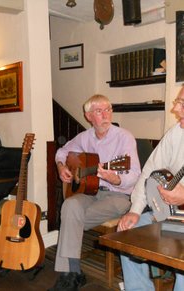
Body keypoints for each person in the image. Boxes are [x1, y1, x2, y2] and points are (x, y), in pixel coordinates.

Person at [49, 94, 141, 291]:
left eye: (108, 109)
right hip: (91, 192)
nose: (106, 114)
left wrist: (115, 178)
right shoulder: (84, 137)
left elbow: (134, 175)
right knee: (70, 205)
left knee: (70, 216)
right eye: (99, 111)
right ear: (88, 116)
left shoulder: (124, 137)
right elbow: (62, 151)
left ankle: (71, 274)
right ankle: (73, 273)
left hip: (120, 196)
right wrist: (60, 167)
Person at [118, 86, 184, 291]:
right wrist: (135, 210)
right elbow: (149, 170)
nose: (176, 109)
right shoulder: (176, 133)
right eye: (178, 102)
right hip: (175, 216)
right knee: (129, 233)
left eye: (182, 104)